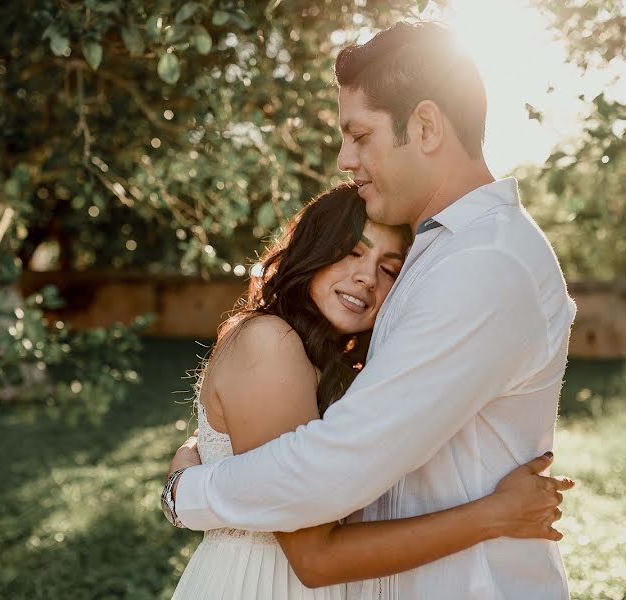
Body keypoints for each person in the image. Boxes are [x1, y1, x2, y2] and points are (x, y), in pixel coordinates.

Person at [168, 21, 578, 599]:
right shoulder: (441, 249)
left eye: (360, 135)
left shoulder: (484, 263)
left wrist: (186, 493)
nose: (344, 158)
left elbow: (337, 464)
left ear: (426, 126)